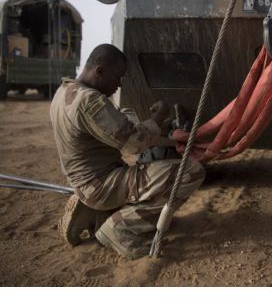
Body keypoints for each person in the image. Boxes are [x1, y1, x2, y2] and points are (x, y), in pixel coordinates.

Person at [50, 44, 205, 259]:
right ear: (100, 71)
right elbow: (134, 144)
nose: (119, 85)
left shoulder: (65, 92)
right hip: (103, 184)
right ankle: (120, 228)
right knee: (190, 172)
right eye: (117, 77)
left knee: (158, 170)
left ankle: (95, 212)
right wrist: (159, 117)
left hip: (87, 181)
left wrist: (170, 140)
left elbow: (119, 132)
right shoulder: (89, 101)